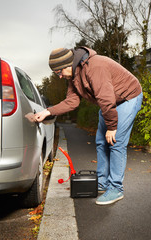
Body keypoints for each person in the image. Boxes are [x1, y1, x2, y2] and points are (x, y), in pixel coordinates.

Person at [35, 47, 143, 205]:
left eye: (59, 72)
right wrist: (47, 111)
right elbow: (72, 101)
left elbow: (106, 99)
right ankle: (102, 182)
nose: (59, 77)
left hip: (128, 97)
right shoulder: (74, 75)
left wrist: (112, 127)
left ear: (67, 65)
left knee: (115, 141)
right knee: (101, 141)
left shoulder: (95, 67)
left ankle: (116, 188)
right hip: (110, 102)